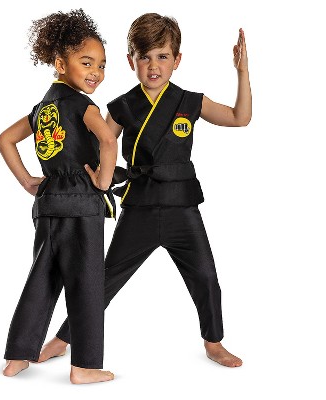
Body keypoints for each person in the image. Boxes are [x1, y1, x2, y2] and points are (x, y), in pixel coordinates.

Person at [39, 12, 251, 368]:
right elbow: (98, 147)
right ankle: (63, 338)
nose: (154, 66)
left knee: (206, 277)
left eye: (162, 56)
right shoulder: (122, 106)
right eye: (145, 57)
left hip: (182, 207)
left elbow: (239, 118)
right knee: (104, 280)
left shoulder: (190, 101)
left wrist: (241, 72)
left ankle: (213, 342)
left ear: (177, 60)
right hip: (139, 206)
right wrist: (79, 174)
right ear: (131, 61)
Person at [0, 9, 117, 384]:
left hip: (48, 202)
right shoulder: (83, 106)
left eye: (101, 64)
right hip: (81, 202)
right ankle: (84, 366)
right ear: (60, 64)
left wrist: (27, 181)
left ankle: (18, 356)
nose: (96, 72)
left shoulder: (41, 110)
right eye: (86, 62)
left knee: (43, 278)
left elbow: (5, 140)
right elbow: (108, 139)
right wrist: (102, 181)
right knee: (87, 283)